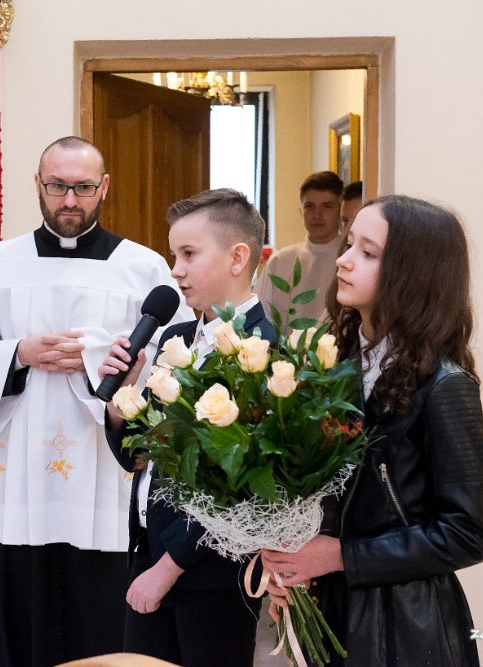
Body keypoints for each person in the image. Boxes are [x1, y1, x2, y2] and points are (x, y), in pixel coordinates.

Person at [0, 136, 192, 667]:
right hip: (18, 474)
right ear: (38, 184)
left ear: (104, 188)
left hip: (102, 471)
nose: (69, 200)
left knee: (101, 617)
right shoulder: (0, 263)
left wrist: (97, 357)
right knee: (19, 617)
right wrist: (18, 353)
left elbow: (181, 360)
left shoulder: (142, 268)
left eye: (83, 187)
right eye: (57, 186)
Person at [261, 195, 483, 666]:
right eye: (349, 245)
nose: (343, 261)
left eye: (368, 253)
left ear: (413, 272)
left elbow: (467, 534)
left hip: (406, 624)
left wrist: (340, 556)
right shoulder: (335, 363)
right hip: (335, 606)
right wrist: (291, 557)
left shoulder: (446, 385)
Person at [100, 188, 276, 667]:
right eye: (173, 255)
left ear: (238, 258)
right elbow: (137, 455)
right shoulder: (175, 339)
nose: (175, 270)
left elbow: (237, 490)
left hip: (209, 574)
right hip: (150, 550)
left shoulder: (261, 351)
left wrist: (168, 568)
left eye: (189, 254)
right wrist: (123, 397)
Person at [255, 171, 344, 331]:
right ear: (300, 211)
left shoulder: (347, 259)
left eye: (327, 206)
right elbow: (261, 317)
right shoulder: (280, 261)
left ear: (340, 211)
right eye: (309, 206)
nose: (317, 215)